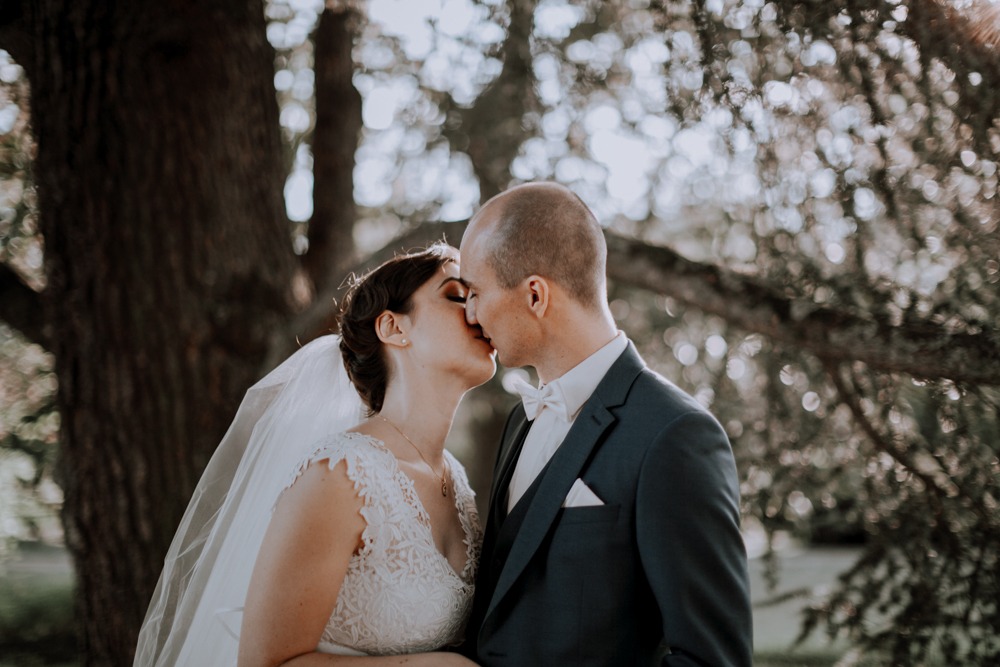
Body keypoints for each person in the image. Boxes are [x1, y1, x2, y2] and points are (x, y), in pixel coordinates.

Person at [134, 244, 494, 666]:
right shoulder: (341, 475)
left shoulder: (457, 479)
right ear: (394, 328)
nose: (477, 311)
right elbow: (267, 662)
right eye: (456, 295)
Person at [458, 182, 753, 666]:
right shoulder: (521, 422)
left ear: (535, 295)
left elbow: (710, 659)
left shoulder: (674, 435)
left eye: (475, 292)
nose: (470, 314)